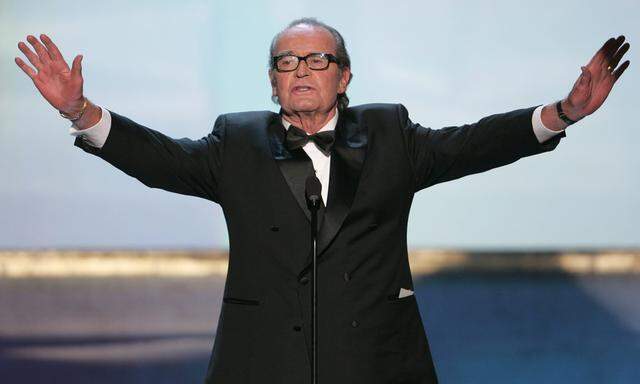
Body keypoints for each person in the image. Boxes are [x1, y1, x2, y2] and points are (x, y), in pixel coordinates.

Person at [15, 17, 629, 384]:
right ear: (272, 80)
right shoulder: (237, 140)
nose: (301, 69)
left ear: (345, 76)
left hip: (373, 360)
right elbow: (162, 161)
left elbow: (473, 145)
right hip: (262, 362)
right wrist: (80, 110)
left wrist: (565, 112)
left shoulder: (391, 134)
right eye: (286, 61)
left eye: (317, 59)